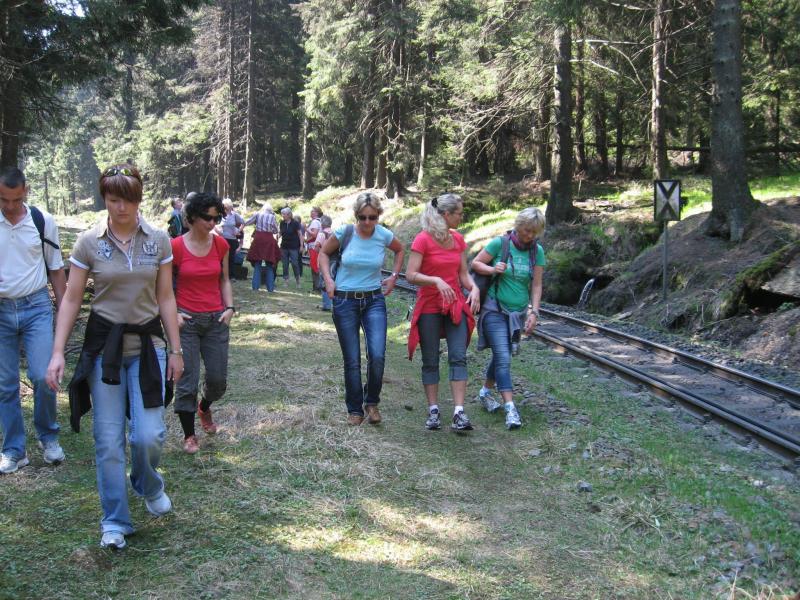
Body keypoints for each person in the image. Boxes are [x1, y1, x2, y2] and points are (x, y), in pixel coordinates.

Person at [45, 164, 183, 550]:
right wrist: (57, 352)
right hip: (104, 349)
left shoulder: (158, 240)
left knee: (149, 435)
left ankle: (147, 483)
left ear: (139, 199)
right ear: (104, 199)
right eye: (113, 199)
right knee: (108, 441)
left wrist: (175, 350)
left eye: (129, 200)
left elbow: (166, 297)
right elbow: (72, 298)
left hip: (148, 348)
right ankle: (115, 521)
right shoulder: (89, 242)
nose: (122, 207)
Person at [0, 167, 67, 474]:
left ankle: (48, 436)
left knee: (43, 375)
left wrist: (65, 311)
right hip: (2, 309)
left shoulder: (42, 221)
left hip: (36, 306)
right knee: (5, 384)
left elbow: (56, 269)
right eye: (3, 199)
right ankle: (14, 449)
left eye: (16, 199)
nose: (10, 206)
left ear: (25, 191)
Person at [318, 192, 404, 426]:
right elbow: (323, 253)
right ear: (356, 215)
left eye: (372, 217)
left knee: (377, 355)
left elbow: (400, 250)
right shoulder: (344, 233)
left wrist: (394, 276)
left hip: (374, 300)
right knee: (352, 359)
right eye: (362, 217)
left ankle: (371, 401)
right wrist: (328, 280)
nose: (367, 222)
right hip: (345, 301)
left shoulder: (383, 235)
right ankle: (354, 409)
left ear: (378, 216)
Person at [406, 193, 480, 432]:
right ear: (446, 214)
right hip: (429, 305)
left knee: (458, 355)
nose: (461, 217)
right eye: (459, 213)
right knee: (430, 359)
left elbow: (463, 274)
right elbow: (411, 275)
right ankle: (433, 410)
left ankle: (459, 412)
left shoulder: (457, 239)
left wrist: (474, 288)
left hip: (455, 305)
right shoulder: (423, 239)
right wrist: (435, 280)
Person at [470, 207, 546, 430]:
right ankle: (510, 408)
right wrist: (493, 269)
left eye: (534, 232)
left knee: (501, 355)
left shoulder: (537, 252)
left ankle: (485, 392)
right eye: (526, 230)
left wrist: (534, 312)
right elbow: (475, 264)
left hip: (517, 314)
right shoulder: (500, 244)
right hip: (494, 309)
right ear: (518, 225)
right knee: (503, 356)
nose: (529, 235)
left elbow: (537, 285)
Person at [172, 192, 234, 454]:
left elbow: (225, 280)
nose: (212, 223)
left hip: (216, 319)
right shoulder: (175, 247)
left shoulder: (221, 245)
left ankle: (204, 407)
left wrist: (229, 308)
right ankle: (189, 435)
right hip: (186, 321)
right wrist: (173, 313)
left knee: (218, 381)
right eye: (207, 218)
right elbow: (163, 286)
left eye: (216, 218)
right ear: (192, 218)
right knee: (187, 380)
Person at [245, 204, 281, 292]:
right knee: (269, 264)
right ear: (270, 211)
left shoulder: (257, 214)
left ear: (263, 209)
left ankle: (255, 287)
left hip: (258, 239)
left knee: (257, 263)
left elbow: (247, 222)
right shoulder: (272, 217)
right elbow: (276, 230)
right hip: (269, 240)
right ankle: (270, 288)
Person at [277, 207, 302, 288]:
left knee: (295, 264)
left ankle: (298, 281)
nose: (283, 216)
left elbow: (300, 235)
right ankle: (286, 281)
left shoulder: (295, 223)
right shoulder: (282, 223)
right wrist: (277, 236)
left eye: (284, 214)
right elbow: (281, 232)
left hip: (294, 247)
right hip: (284, 246)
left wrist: (301, 246)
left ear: (289, 215)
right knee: (285, 264)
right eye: (282, 214)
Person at [219, 198, 244, 280]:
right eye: (225, 207)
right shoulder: (220, 215)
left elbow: (243, 222)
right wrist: (218, 230)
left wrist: (238, 231)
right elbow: (215, 225)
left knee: (231, 258)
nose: (226, 208)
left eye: (228, 206)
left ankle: (231, 275)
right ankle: (221, 274)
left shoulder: (234, 215)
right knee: (221, 257)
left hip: (232, 239)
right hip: (222, 239)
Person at [313, 215, 334, 311]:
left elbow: (316, 246)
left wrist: (321, 252)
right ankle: (333, 304)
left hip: (323, 260)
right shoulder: (334, 233)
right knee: (333, 280)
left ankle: (326, 305)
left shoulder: (321, 234)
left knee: (324, 281)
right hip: (333, 260)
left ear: (322, 224)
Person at [305, 207, 322, 289]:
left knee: (314, 265)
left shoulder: (315, 222)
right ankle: (316, 286)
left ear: (317, 213)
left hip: (313, 246)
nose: (311, 212)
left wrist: (306, 229)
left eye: (313, 211)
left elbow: (314, 234)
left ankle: (317, 286)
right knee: (316, 265)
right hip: (317, 245)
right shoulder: (320, 221)